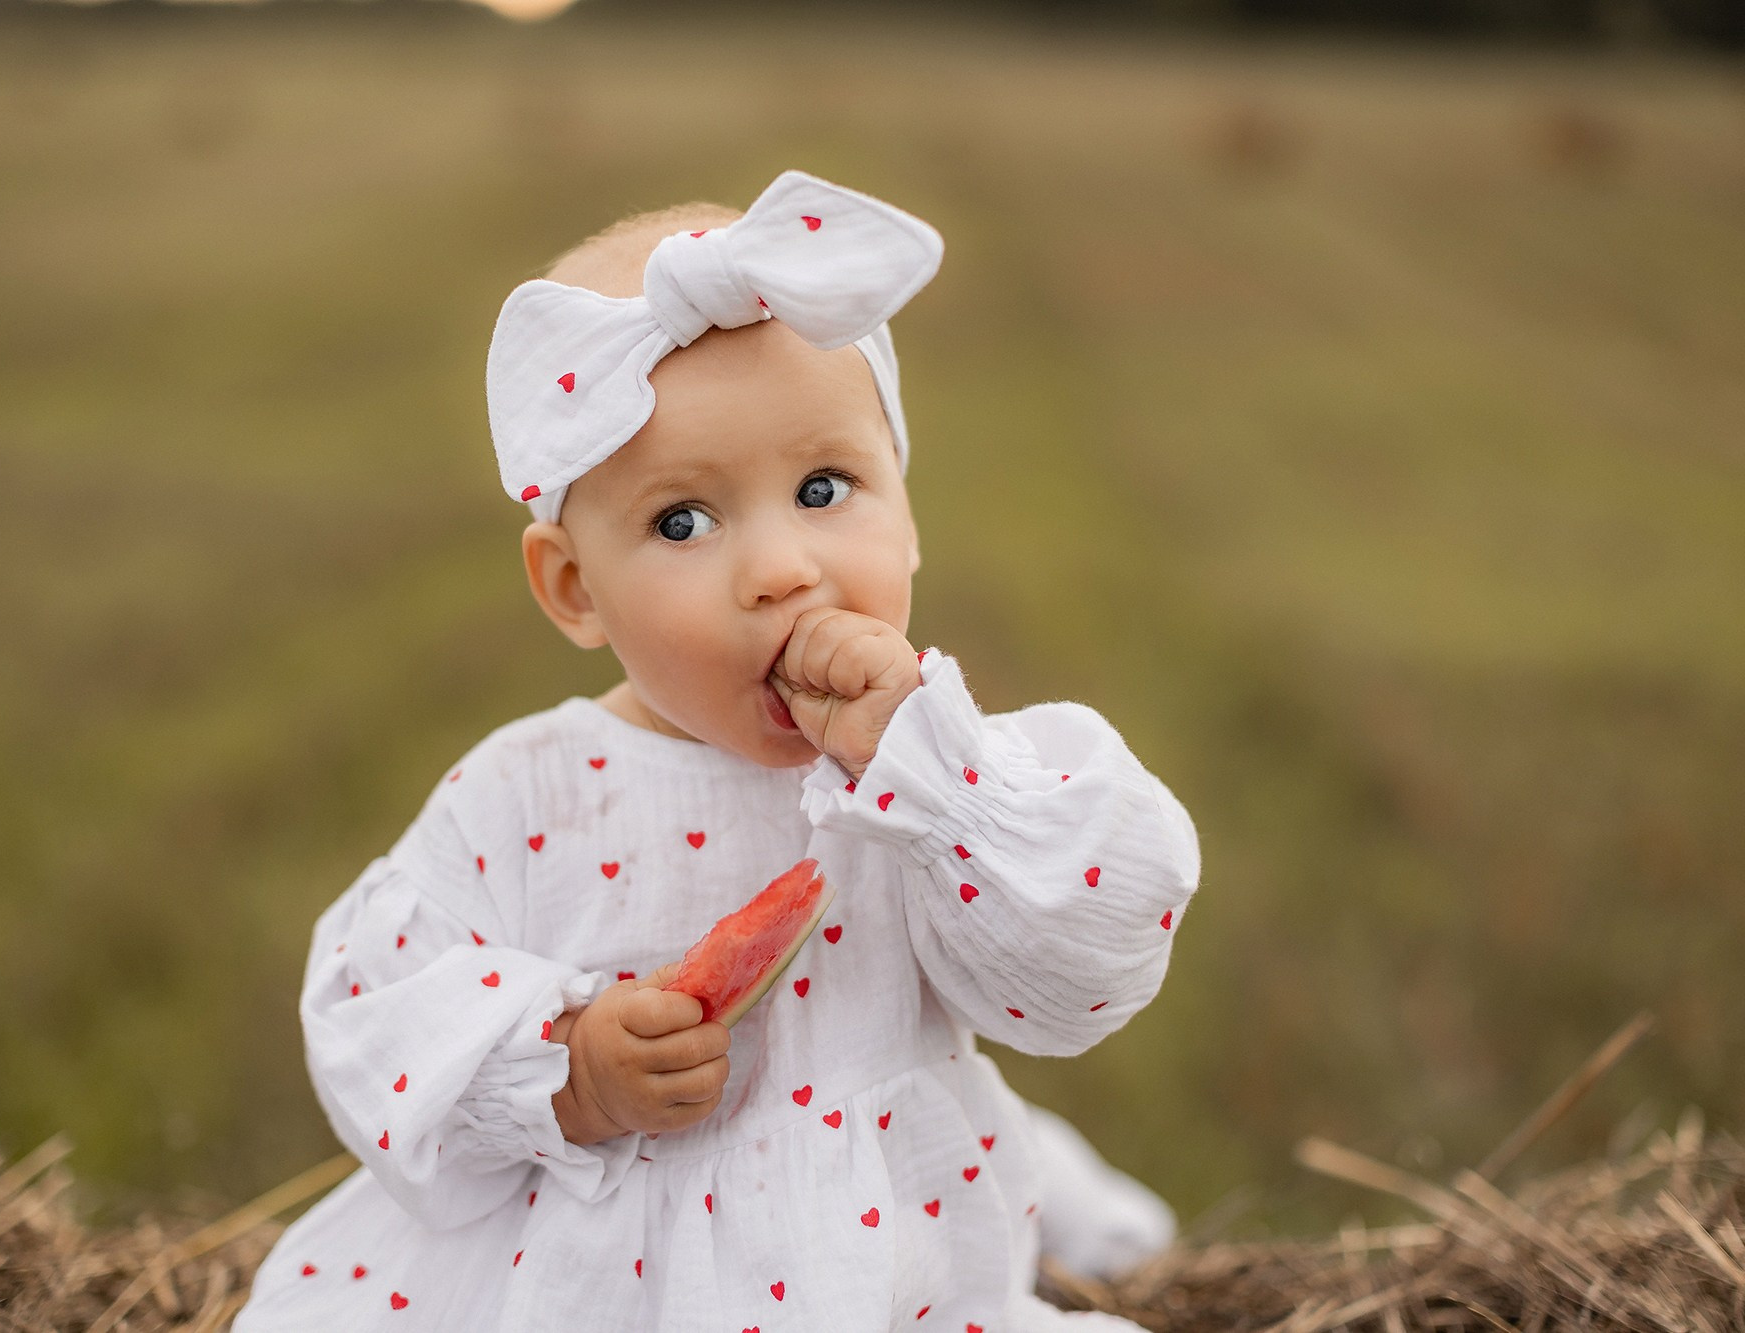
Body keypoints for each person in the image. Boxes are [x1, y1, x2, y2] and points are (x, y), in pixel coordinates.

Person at [234, 170, 1197, 1332]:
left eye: (825, 487)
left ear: (908, 510)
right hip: (598, 1297)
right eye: (681, 521)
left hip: (882, 1287)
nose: (782, 568)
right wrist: (567, 1068)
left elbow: (1081, 978)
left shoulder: (935, 784)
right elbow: (373, 1014)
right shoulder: (528, 791)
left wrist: (935, 775)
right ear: (574, 587)